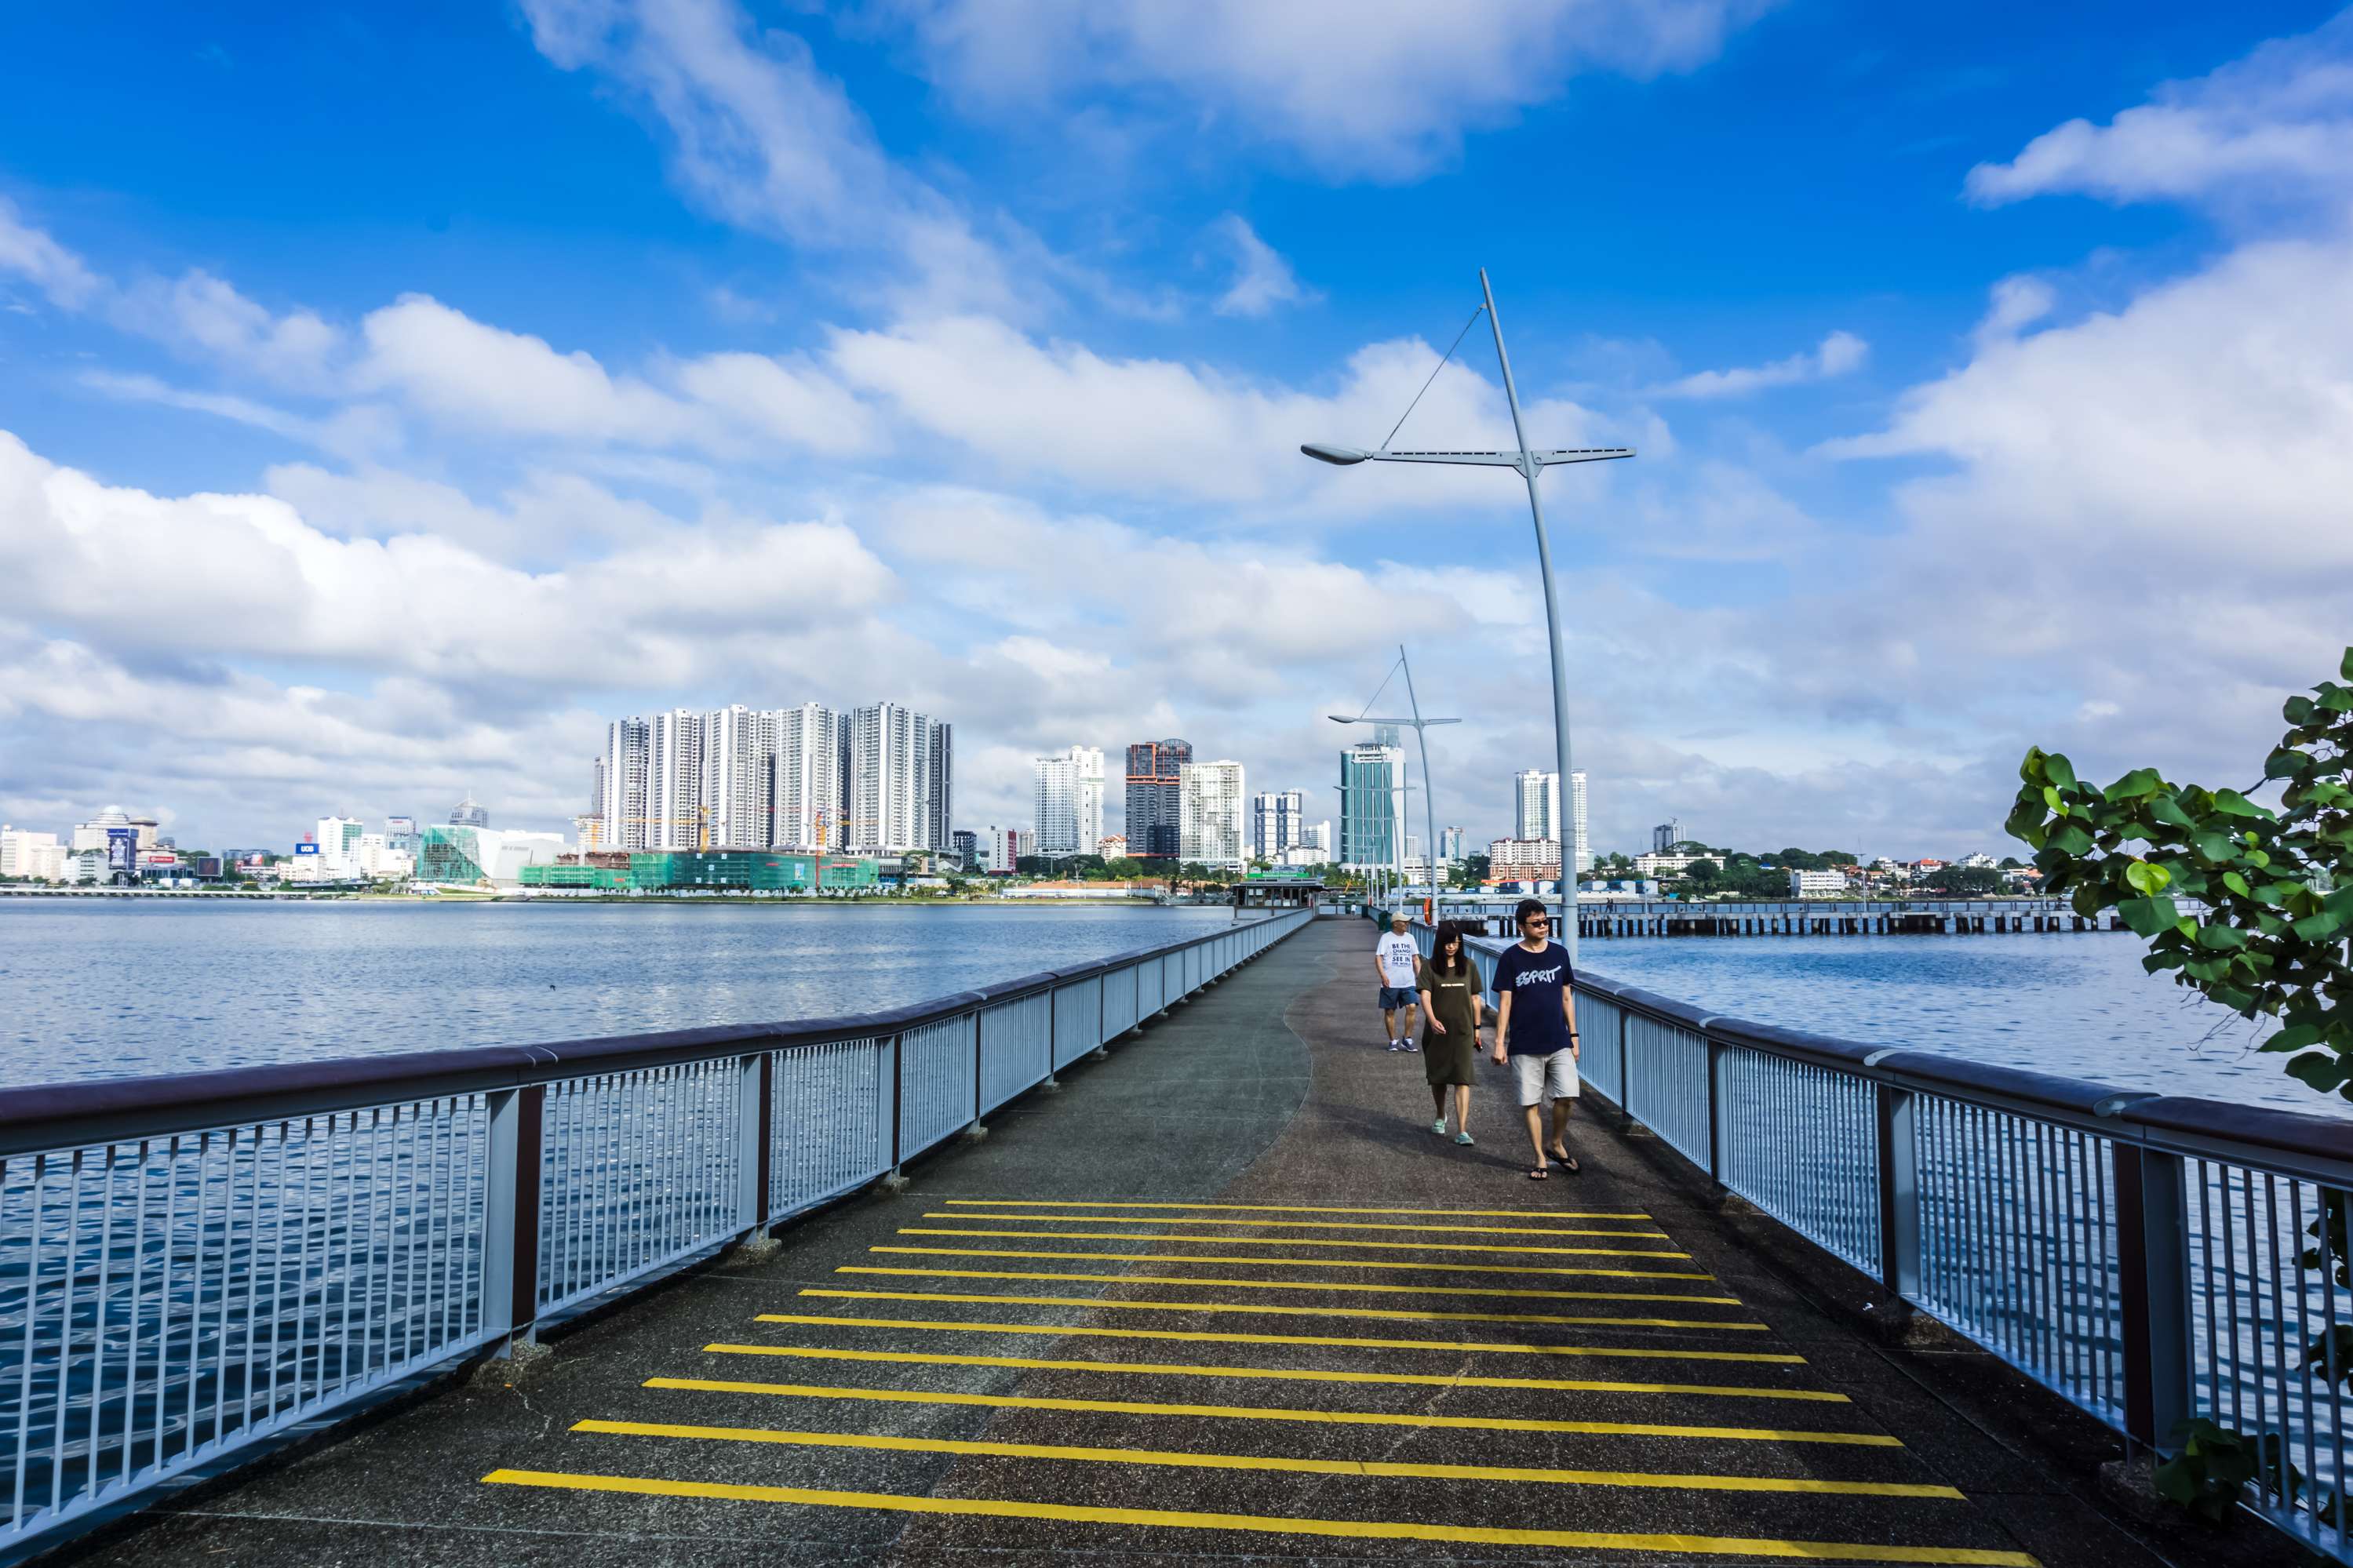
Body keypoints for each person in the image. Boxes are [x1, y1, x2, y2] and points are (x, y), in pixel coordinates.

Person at [1490, 897, 1582, 1178]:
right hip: (1524, 1043)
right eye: (1536, 923)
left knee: (1567, 1096)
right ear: (1521, 927)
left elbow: (1566, 997)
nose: (1543, 926)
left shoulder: (1559, 954)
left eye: (1545, 921)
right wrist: (1499, 1043)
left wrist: (1574, 1035)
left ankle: (1556, 1143)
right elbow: (1505, 1002)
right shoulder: (1511, 958)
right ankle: (1540, 1158)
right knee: (1531, 1102)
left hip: (1558, 1040)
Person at [1416, 919, 1484, 1144]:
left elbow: (1475, 999)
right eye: (1447, 943)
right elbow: (1425, 996)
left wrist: (1477, 1028)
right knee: (1439, 1078)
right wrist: (1432, 1020)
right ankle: (1440, 1115)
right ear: (1440, 943)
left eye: (1455, 943)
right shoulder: (1430, 967)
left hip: (1463, 1032)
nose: (1452, 947)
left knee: (1462, 1079)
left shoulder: (1469, 966)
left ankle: (1462, 1130)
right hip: (1437, 1032)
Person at [1372, 911, 1421, 1051]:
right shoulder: (1386, 938)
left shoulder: (1410, 938)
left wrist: (1420, 977)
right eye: (1404, 922)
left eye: (1407, 922)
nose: (1407, 924)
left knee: (1412, 1007)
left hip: (1408, 981)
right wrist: (1383, 975)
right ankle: (1393, 1040)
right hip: (1390, 982)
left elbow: (1416, 959)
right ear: (1395, 923)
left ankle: (1407, 1038)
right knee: (1390, 1011)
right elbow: (1378, 958)